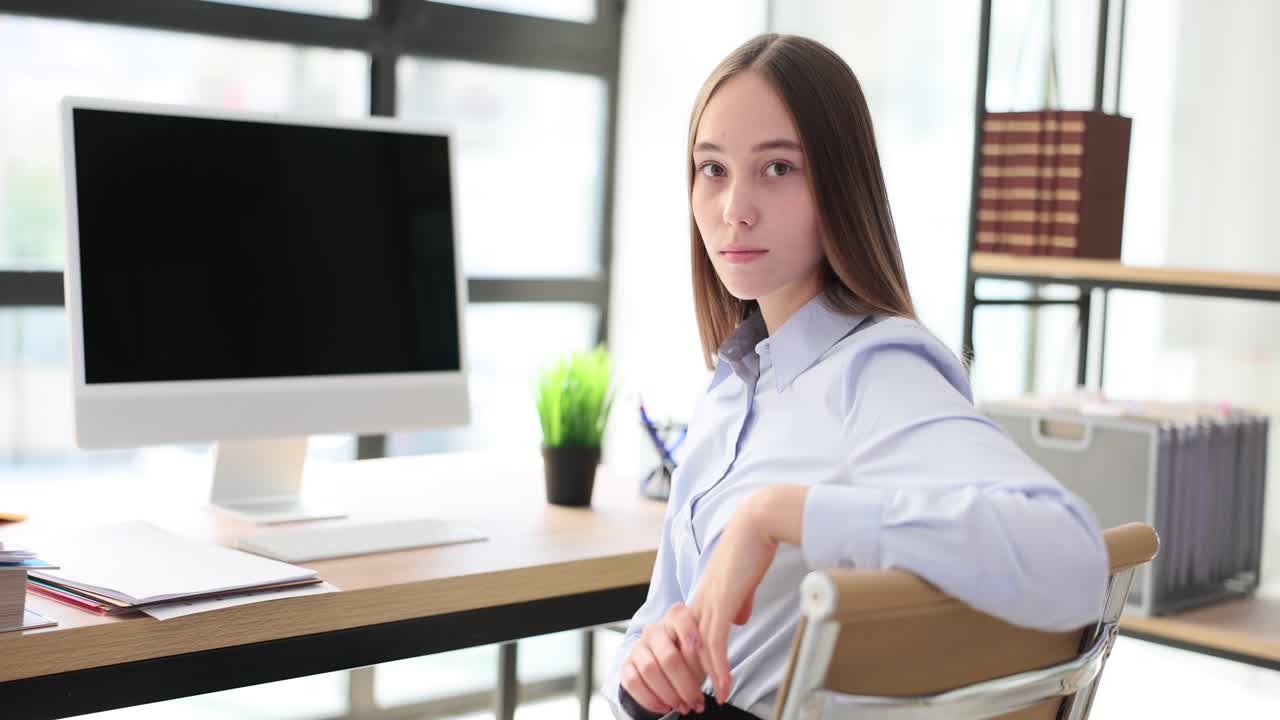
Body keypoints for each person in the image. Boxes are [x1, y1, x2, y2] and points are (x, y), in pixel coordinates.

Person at [602, 33, 1109, 720]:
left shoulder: (877, 371)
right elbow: (656, 622)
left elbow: (1076, 562)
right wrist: (651, 654)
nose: (734, 209)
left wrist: (778, 514)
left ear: (840, 184)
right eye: (713, 169)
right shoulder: (732, 384)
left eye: (777, 168)